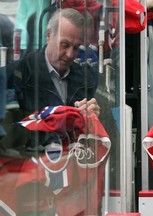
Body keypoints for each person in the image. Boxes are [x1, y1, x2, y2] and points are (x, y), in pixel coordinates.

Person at [10, 8, 99, 152]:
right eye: (64, 45)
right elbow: (11, 131)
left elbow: (104, 137)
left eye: (76, 48)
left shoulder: (86, 78)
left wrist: (94, 120)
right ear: (48, 35)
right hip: (33, 162)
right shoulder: (22, 72)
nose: (70, 54)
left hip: (74, 164)